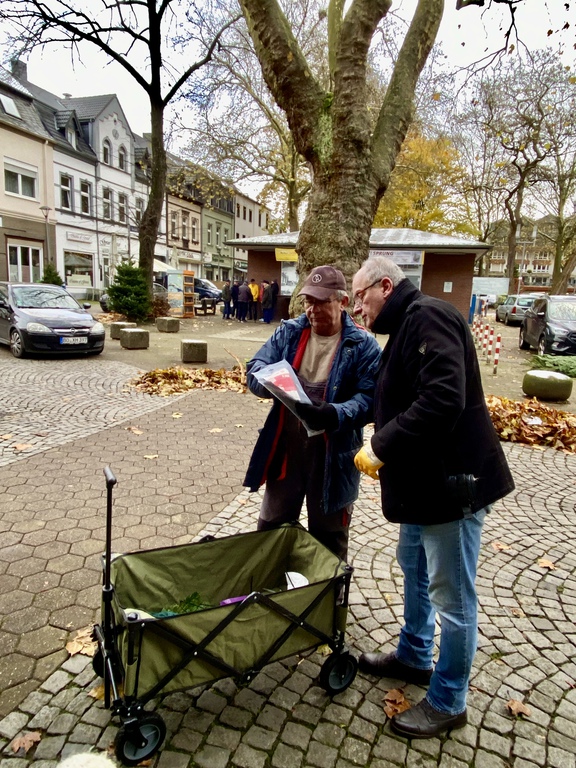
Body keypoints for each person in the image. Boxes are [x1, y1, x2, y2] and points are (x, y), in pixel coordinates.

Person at [351, 256, 515, 739]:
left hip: (451, 487)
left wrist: (381, 444)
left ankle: (448, 699)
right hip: (425, 488)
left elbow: (443, 397)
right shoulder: (407, 324)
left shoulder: (428, 315)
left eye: (360, 297)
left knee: (452, 595)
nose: (357, 308)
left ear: (386, 285)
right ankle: (416, 655)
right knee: (413, 565)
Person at [244, 265, 382, 559]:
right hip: (287, 452)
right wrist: (270, 382)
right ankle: (268, 592)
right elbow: (253, 369)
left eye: (321, 302)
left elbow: (371, 400)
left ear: (343, 302)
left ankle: (326, 600)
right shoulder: (289, 333)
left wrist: (333, 413)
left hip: (334, 458)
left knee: (329, 541)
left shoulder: (363, 345)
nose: (312, 309)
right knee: (270, 531)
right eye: (308, 301)